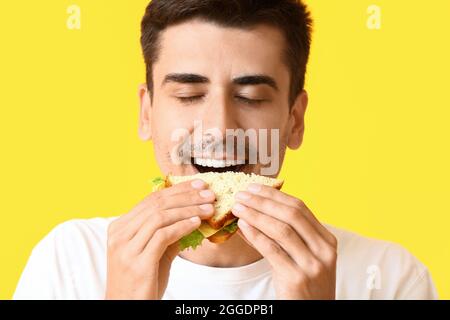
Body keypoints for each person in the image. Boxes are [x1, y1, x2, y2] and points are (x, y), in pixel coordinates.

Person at [14, 0, 437, 300]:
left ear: (295, 119)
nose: (219, 128)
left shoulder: (390, 279)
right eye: (188, 94)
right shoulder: (70, 261)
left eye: (251, 97)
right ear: (147, 113)